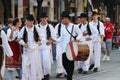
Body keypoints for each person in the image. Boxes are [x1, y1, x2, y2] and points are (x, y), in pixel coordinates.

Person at [18, 15, 44, 80]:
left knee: (34, 66)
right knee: (25, 66)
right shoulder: (23, 29)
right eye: (27, 21)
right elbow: (19, 39)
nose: (27, 22)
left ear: (32, 21)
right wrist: (23, 43)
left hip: (34, 50)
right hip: (26, 51)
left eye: (29, 21)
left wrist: (40, 42)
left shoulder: (37, 28)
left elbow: (42, 38)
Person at [60, 11, 82, 80]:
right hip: (64, 48)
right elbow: (61, 38)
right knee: (64, 63)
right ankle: (69, 75)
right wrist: (54, 40)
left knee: (70, 63)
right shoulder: (62, 27)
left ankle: (69, 77)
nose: (63, 20)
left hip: (71, 48)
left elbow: (80, 33)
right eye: (62, 19)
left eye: (64, 18)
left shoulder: (74, 26)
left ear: (67, 19)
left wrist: (77, 39)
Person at [37, 12, 56, 80]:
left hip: (46, 47)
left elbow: (54, 36)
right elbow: (34, 37)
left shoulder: (50, 27)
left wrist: (50, 41)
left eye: (45, 18)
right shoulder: (37, 27)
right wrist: (37, 41)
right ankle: (41, 75)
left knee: (46, 61)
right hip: (39, 47)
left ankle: (47, 74)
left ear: (47, 18)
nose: (44, 19)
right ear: (40, 19)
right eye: (42, 18)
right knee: (39, 62)